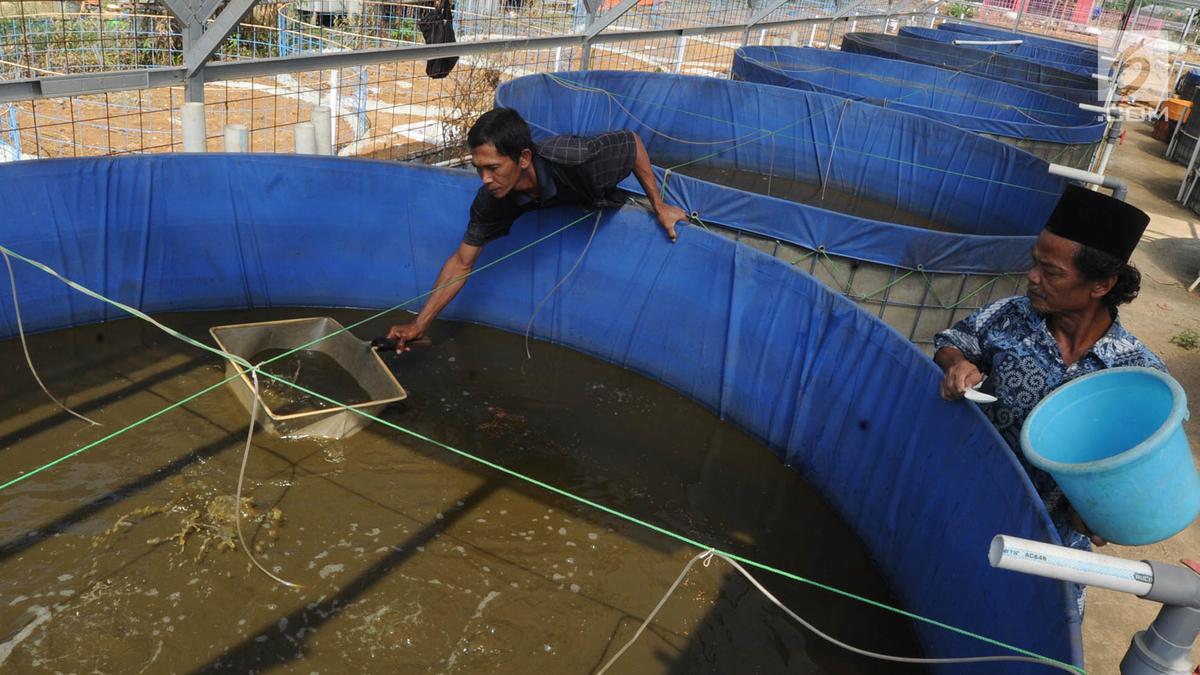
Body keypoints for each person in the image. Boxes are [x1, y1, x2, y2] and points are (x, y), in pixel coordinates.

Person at [933, 184, 1166, 611]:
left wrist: (1102, 513)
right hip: (965, 503)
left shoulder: (1137, 377)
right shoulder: (1011, 316)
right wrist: (956, 364)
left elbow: (1124, 491)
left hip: (1048, 545)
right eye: (1034, 263)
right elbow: (954, 340)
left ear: (1101, 284)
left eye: (1051, 271)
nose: (1033, 277)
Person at [388, 108, 687, 349]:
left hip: (590, 190)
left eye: (493, 168)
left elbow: (631, 143)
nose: (485, 179)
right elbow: (461, 263)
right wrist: (419, 325)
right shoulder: (491, 198)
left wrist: (659, 206)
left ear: (524, 158)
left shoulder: (575, 157)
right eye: (479, 168)